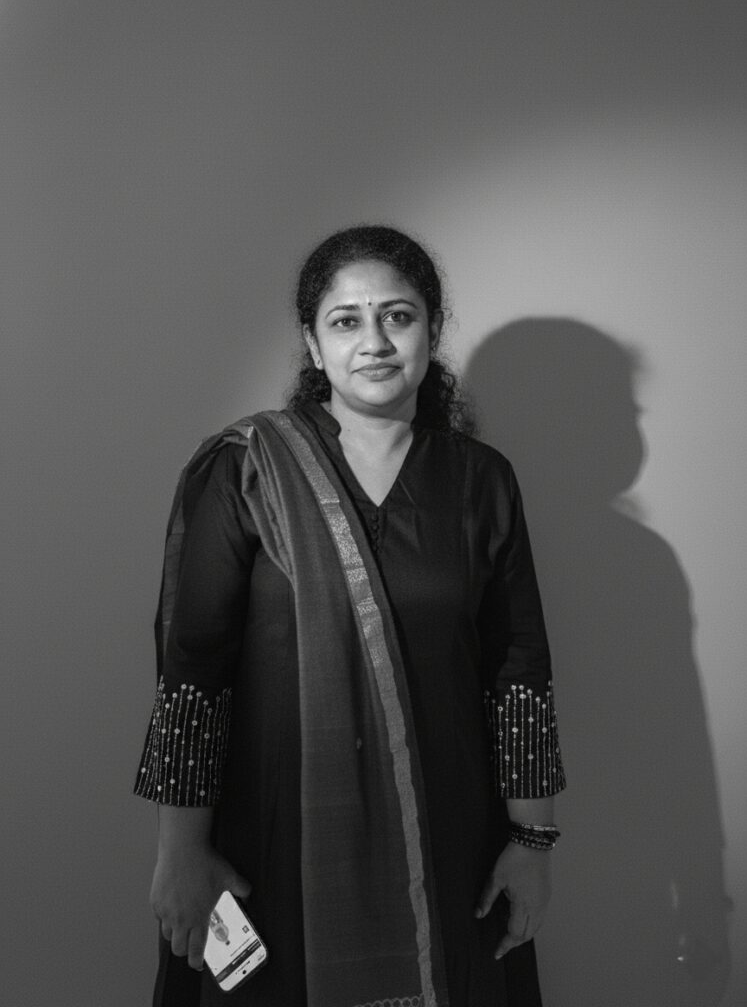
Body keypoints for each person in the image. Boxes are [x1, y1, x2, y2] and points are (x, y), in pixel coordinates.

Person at [135, 225, 566, 1007]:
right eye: (345, 320)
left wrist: (530, 841)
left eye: (398, 316)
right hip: (275, 835)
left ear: (432, 329)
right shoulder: (246, 469)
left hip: (448, 839)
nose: (374, 341)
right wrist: (180, 852)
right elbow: (194, 673)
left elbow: (518, 673)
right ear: (312, 341)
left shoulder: (479, 481)